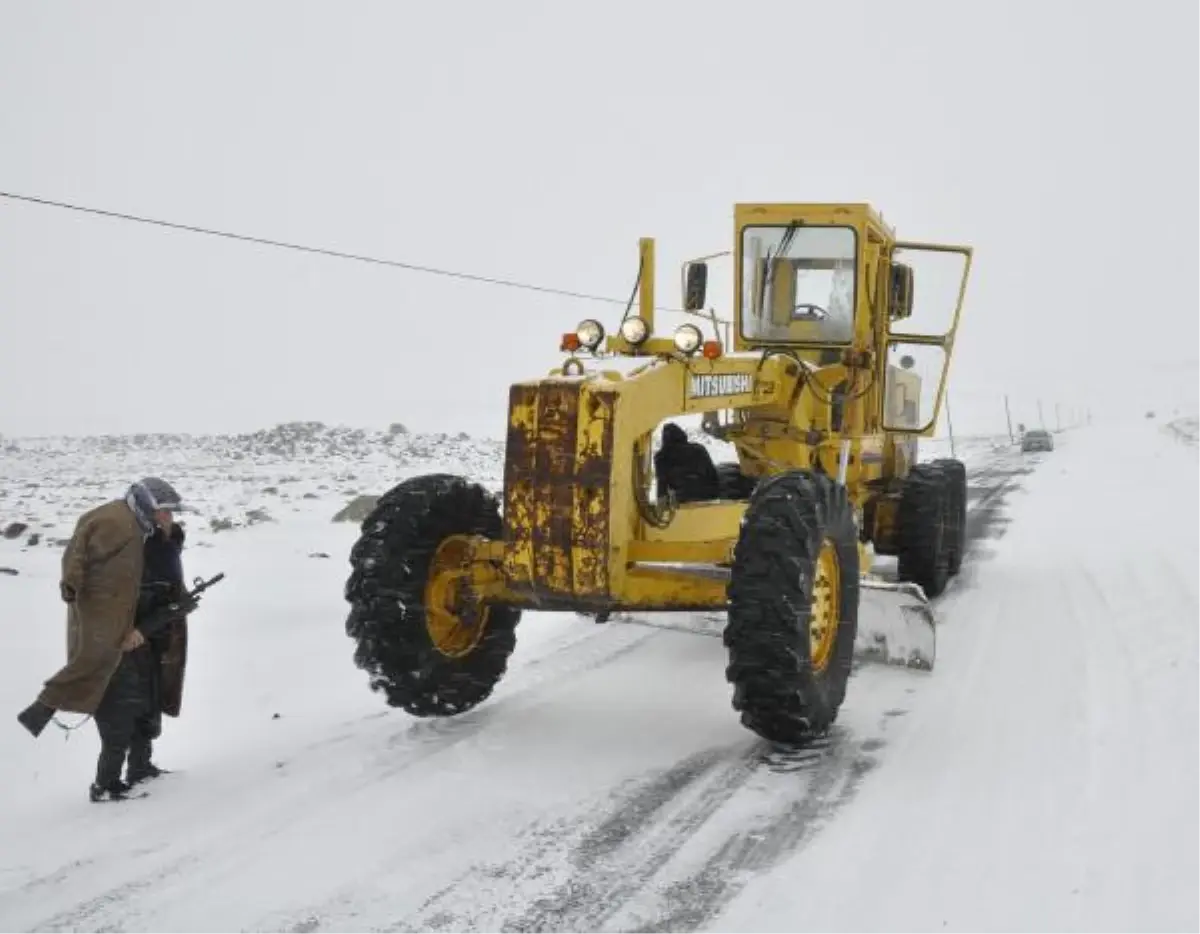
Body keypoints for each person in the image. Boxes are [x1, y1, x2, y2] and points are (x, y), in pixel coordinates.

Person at [16, 477, 184, 802]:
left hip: (144, 632)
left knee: (146, 705)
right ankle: (106, 784)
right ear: (148, 505)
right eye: (165, 512)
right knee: (118, 710)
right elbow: (78, 551)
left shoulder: (144, 532)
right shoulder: (114, 521)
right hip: (114, 633)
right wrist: (72, 585)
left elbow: (149, 576)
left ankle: (140, 768)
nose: (170, 518)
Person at [654, 422, 720, 504]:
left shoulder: (661, 456)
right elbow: (712, 474)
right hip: (707, 494)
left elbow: (662, 482)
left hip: (682, 498)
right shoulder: (699, 449)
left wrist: (661, 502)